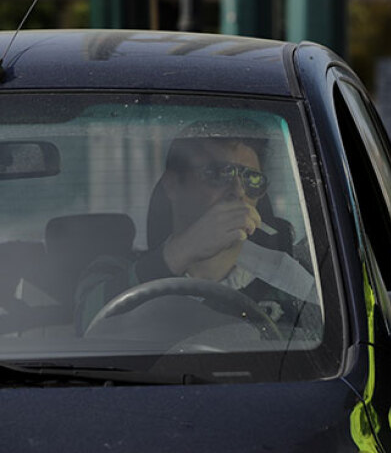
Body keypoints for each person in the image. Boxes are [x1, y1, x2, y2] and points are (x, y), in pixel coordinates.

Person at [75, 121, 315, 335]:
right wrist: (183, 250)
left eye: (252, 179)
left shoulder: (289, 277)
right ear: (172, 185)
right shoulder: (114, 270)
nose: (238, 191)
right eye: (218, 173)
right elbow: (87, 322)